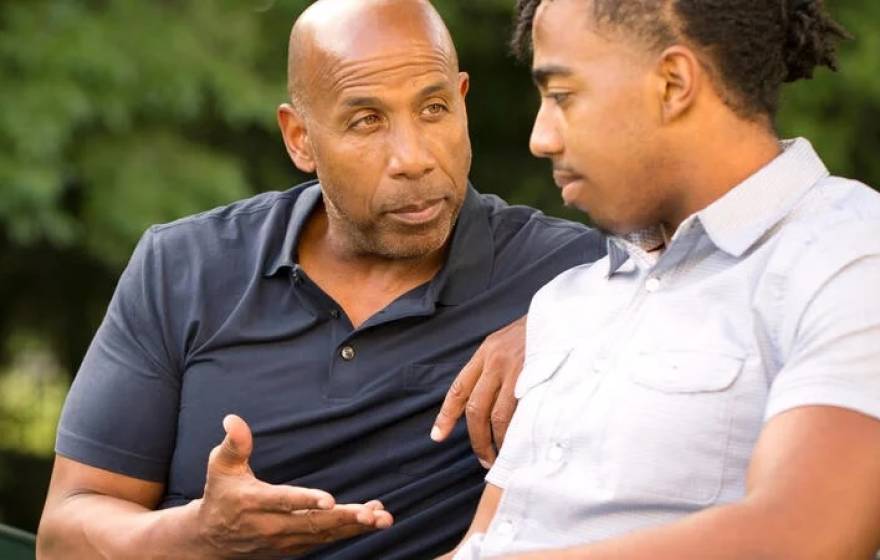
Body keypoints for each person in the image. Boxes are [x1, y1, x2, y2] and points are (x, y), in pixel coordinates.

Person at [35, 1, 607, 559]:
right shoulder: (183, 266)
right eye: (367, 120)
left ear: (462, 101)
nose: (412, 158)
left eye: (433, 109)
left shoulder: (576, 276)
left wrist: (564, 318)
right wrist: (202, 537)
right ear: (300, 139)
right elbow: (61, 539)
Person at [447, 0, 880, 558]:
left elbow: (809, 533)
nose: (541, 137)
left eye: (562, 96)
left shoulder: (847, 255)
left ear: (673, 83)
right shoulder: (568, 301)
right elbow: (486, 544)